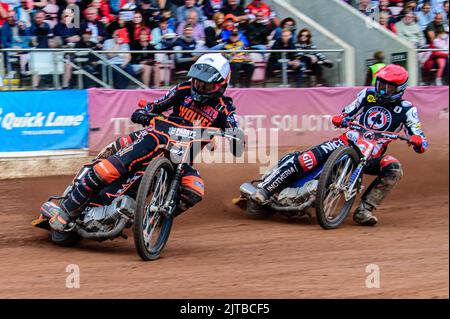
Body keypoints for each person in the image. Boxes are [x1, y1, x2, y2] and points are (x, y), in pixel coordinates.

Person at [47, 53, 244, 232]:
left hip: (180, 161)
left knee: (195, 190)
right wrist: (144, 112)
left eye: (205, 85)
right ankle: (67, 209)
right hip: (155, 139)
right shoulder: (183, 89)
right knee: (109, 165)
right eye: (197, 82)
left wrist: (235, 138)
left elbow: (237, 139)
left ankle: (151, 218)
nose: (199, 87)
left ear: (220, 85)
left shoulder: (224, 109)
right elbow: (158, 105)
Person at [251, 64, 428, 226]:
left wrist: (418, 142)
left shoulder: (407, 110)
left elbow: (420, 137)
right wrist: (342, 118)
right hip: (345, 142)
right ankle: (267, 190)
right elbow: (349, 111)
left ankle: (364, 210)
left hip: (370, 156)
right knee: (307, 159)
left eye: (389, 88)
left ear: (399, 90)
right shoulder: (367, 95)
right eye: (381, 85)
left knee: (394, 167)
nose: (382, 90)